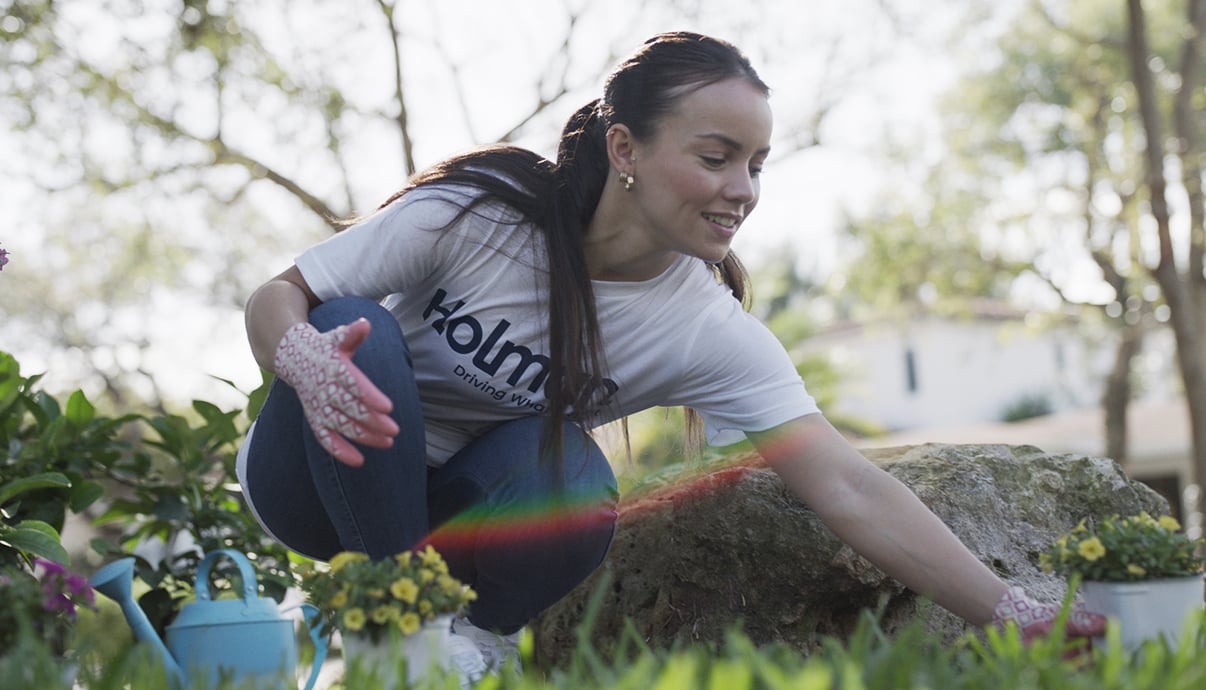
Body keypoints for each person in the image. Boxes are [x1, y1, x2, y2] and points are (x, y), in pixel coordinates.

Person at [237, 31, 1103, 685]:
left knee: (575, 473)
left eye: (757, 165)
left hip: (463, 521)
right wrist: (305, 363)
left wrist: (1012, 611)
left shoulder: (703, 327)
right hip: (317, 479)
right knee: (354, 323)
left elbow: (846, 483)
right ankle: (404, 633)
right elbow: (278, 294)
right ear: (626, 150)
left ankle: (466, 641)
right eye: (716, 158)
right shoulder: (480, 214)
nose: (743, 191)